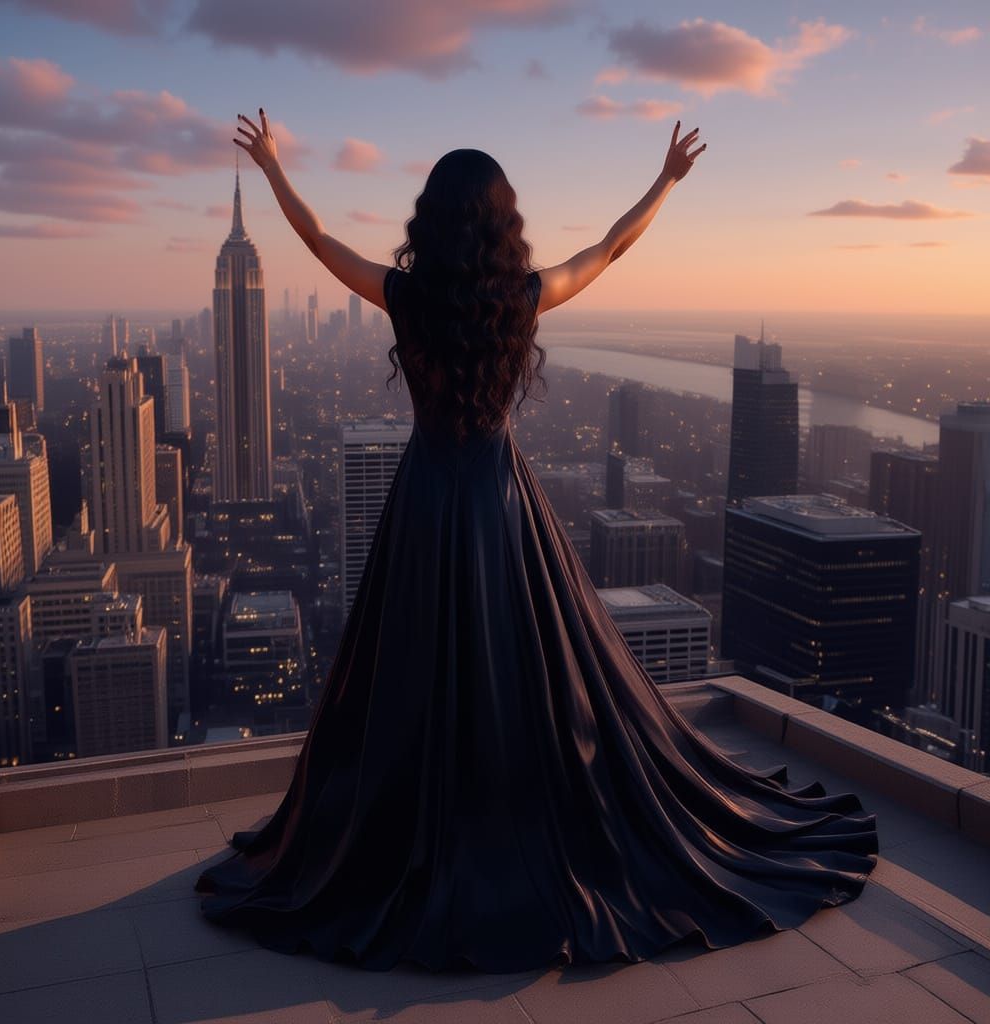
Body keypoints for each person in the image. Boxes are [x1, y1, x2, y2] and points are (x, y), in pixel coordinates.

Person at [194, 108, 878, 973]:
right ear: (502, 222)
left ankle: (412, 828)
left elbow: (319, 238)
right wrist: (665, 179)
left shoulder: (405, 297)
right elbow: (609, 247)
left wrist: (273, 165)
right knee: (526, 664)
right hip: (498, 500)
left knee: (411, 667)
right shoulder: (523, 297)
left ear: (430, 221)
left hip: (423, 501)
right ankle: (513, 818)